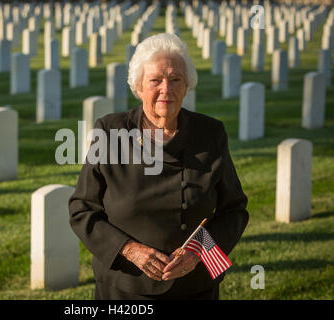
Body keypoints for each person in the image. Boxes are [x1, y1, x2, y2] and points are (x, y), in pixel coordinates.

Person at [68, 33, 249, 300]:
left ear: (187, 86)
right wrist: (128, 249)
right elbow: (82, 209)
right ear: (139, 86)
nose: (166, 89)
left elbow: (234, 210)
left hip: (195, 287)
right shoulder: (110, 131)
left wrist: (200, 251)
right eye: (155, 80)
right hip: (125, 288)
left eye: (176, 79)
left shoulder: (211, 133)